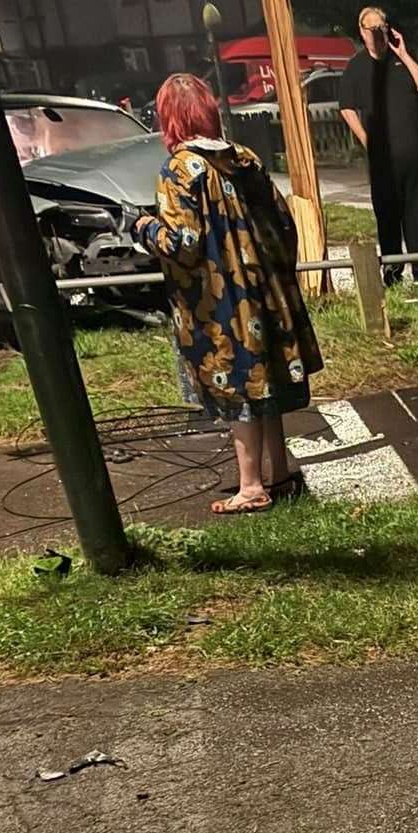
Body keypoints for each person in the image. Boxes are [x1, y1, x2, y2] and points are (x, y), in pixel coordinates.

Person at [133, 74, 322, 515]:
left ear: (169, 120)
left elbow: (184, 244)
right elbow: (283, 220)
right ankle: (282, 471)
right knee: (266, 381)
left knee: (238, 387)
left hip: (219, 301)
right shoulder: (244, 158)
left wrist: (143, 227)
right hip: (265, 291)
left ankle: (251, 486)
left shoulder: (180, 169)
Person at [339, 6, 418, 288]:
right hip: (383, 158)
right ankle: (392, 271)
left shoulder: (402, 60)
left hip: (414, 152)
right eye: (372, 29)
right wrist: (366, 139)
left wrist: (403, 53)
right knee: (388, 215)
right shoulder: (357, 67)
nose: (378, 34)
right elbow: (346, 107)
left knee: (417, 213)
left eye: (382, 27)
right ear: (361, 31)